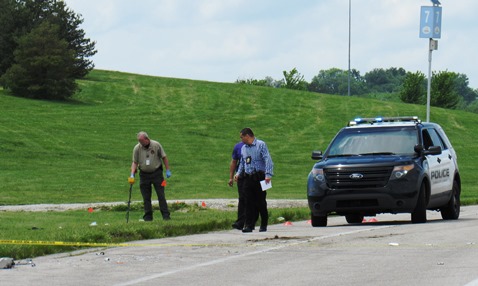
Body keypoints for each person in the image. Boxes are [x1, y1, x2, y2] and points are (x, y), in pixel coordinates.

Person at [235, 128, 274, 233]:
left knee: (260, 202)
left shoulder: (261, 145)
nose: (241, 139)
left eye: (242, 137)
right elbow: (243, 163)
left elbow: (267, 159)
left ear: (247, 136)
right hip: (248, 177)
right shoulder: (244, 148)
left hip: (260, 177)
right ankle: (249, 225)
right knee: (248, 202)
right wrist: (238, 174)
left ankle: (264, 224)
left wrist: (268, 174)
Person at [128, 131, 172, 221]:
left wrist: (167, 170)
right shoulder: (137, 148)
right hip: (144, 175)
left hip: (157, 173)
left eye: (142, 141)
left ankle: (166, 216)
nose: (140, 143)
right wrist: (132, 174)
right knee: (146, 197)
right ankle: (148, 217)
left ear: (147, 139)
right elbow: (135, 162)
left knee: (161, 195)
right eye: (139, 141)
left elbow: (164, 157)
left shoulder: (156, 145)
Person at [228, 141, 246, 230]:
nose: (241, 139)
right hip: (242, 176)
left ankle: (255, 220)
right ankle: (240, 222)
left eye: (242, 136)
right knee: (242, 198)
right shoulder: (238, 147)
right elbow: (234, 162)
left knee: (258, 199)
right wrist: (231, 177)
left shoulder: (259, 145)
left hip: (256, 176)